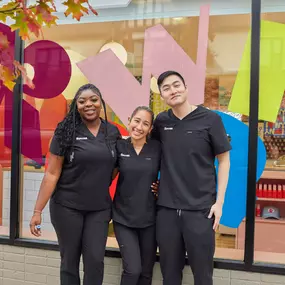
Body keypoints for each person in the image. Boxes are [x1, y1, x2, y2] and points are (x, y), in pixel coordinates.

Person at [29, 83, 121, 285]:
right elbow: (52, 174)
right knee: (70, 261)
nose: (89, 104)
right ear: (76, 105)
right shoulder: (65, 131)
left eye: (94, 100)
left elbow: (115, 168)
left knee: (95, 261)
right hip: (67, 207)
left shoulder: (112, 133)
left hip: (99, 209)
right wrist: (37, 211)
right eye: (82, 101)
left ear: (101, 103)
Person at [152, 71, 231, 285]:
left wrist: (219, 203)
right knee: (169, 275)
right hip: (167, 211)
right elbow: (152, 155)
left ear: (186, 88)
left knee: (203, 275)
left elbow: (224, 161)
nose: (173, 90)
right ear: (162, 95)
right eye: (166, 88)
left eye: (176, 85)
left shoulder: (210, 119)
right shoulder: (161, 122)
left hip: (200, 211)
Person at [112, 106, 161, 285]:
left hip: (150, 220)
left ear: (150, 129)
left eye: (145, 124)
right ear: (129, 120)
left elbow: (173, 172)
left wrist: (162, 187)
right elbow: (104, 175)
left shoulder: (157, 149)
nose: (139, 127)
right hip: (123, 218)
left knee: (146, 273)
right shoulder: (119, 146)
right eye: (137, 121)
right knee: (133, 270)